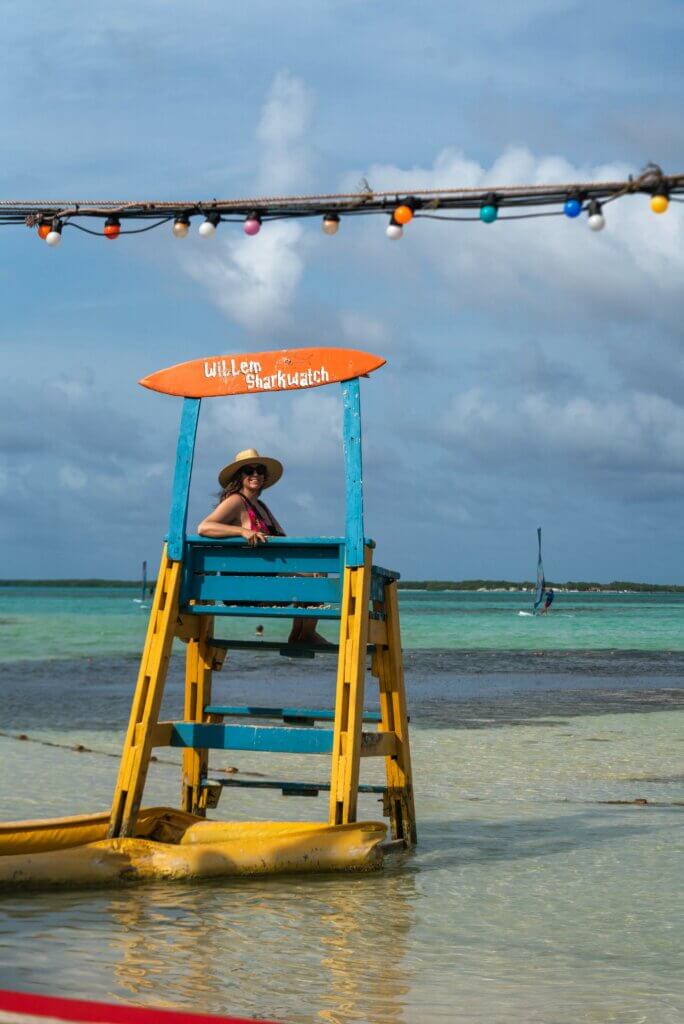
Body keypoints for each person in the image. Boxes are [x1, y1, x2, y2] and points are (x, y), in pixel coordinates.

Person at [197, 448, 329, 645]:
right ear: (240, 476)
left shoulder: (261, 506)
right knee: (314, 579)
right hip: (246, 588)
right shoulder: (235, 501)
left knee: (317, 573)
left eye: (259, 470)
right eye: (249, 470)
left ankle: (300, 635)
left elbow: (283, 540)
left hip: (266, 580)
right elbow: (204, 527)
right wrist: (242, 532)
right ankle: (304, 635)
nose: (255, 474)